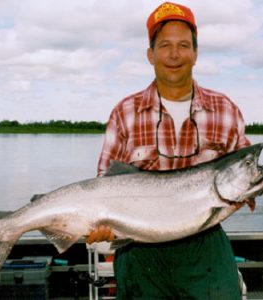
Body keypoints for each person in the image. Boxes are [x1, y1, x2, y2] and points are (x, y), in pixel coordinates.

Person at [87, 2, 250, 299]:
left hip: (206, 250)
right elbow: (103, 185)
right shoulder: (124, 112)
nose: (174, 54)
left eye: (183, 45)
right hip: (139, 252)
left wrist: (252, 190)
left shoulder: (225, 110)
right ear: (150, 55)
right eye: (165, 45)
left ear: (195, 53)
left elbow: (246, 175)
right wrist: (100, 224)